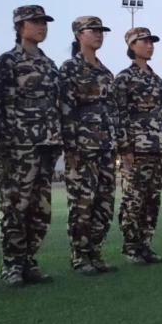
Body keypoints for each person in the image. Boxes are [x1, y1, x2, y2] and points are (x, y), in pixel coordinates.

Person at [0, 5, 61, 286]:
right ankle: (12, 265)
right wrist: (6, 143)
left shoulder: (49, 65)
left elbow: (55, 105)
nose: (42, 27)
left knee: (40, 208)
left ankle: (29, 260)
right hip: (18, 146)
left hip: (46, 145)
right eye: (35, 22)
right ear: (20, 26)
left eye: (44, 22)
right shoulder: (8, 62)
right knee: (15, 205)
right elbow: (2, 104)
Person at [59, 16, 119, 276]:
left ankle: (95, 252)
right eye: (92, 30)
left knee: (104, 204)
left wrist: (116, 143)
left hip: (106, 147)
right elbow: (66, 109)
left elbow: (113, 111)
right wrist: (70, 148)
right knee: (83, 203)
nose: (98, 34)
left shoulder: (106, 72)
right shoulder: (70, 68)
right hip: (83, 148)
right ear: (78, 34)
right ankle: (80, 256)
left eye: (101, 31)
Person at [115, 27, 162, 265]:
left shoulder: (157, 80)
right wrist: (125, 148)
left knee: (152, 200)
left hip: (157, 148)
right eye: (143, 41)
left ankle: (145, 245)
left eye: (151, 42)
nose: (149, 45)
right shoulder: (124, 78)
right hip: (136, 149)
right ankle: (131, 248)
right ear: (131, 46)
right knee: (133, 200)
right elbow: (119, 114)